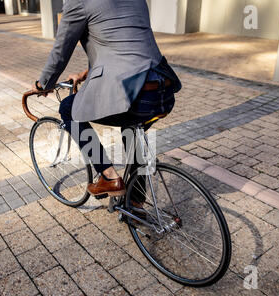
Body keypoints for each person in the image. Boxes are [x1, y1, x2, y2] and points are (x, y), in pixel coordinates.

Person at [33, 0, 181, 202]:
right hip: (162, 90)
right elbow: (125, 43)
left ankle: (109, 177)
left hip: (135, 93)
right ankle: (135, 202)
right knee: (131, 132)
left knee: (68, 109)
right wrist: (85, 73)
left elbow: (60, 52)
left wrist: (43, 84)